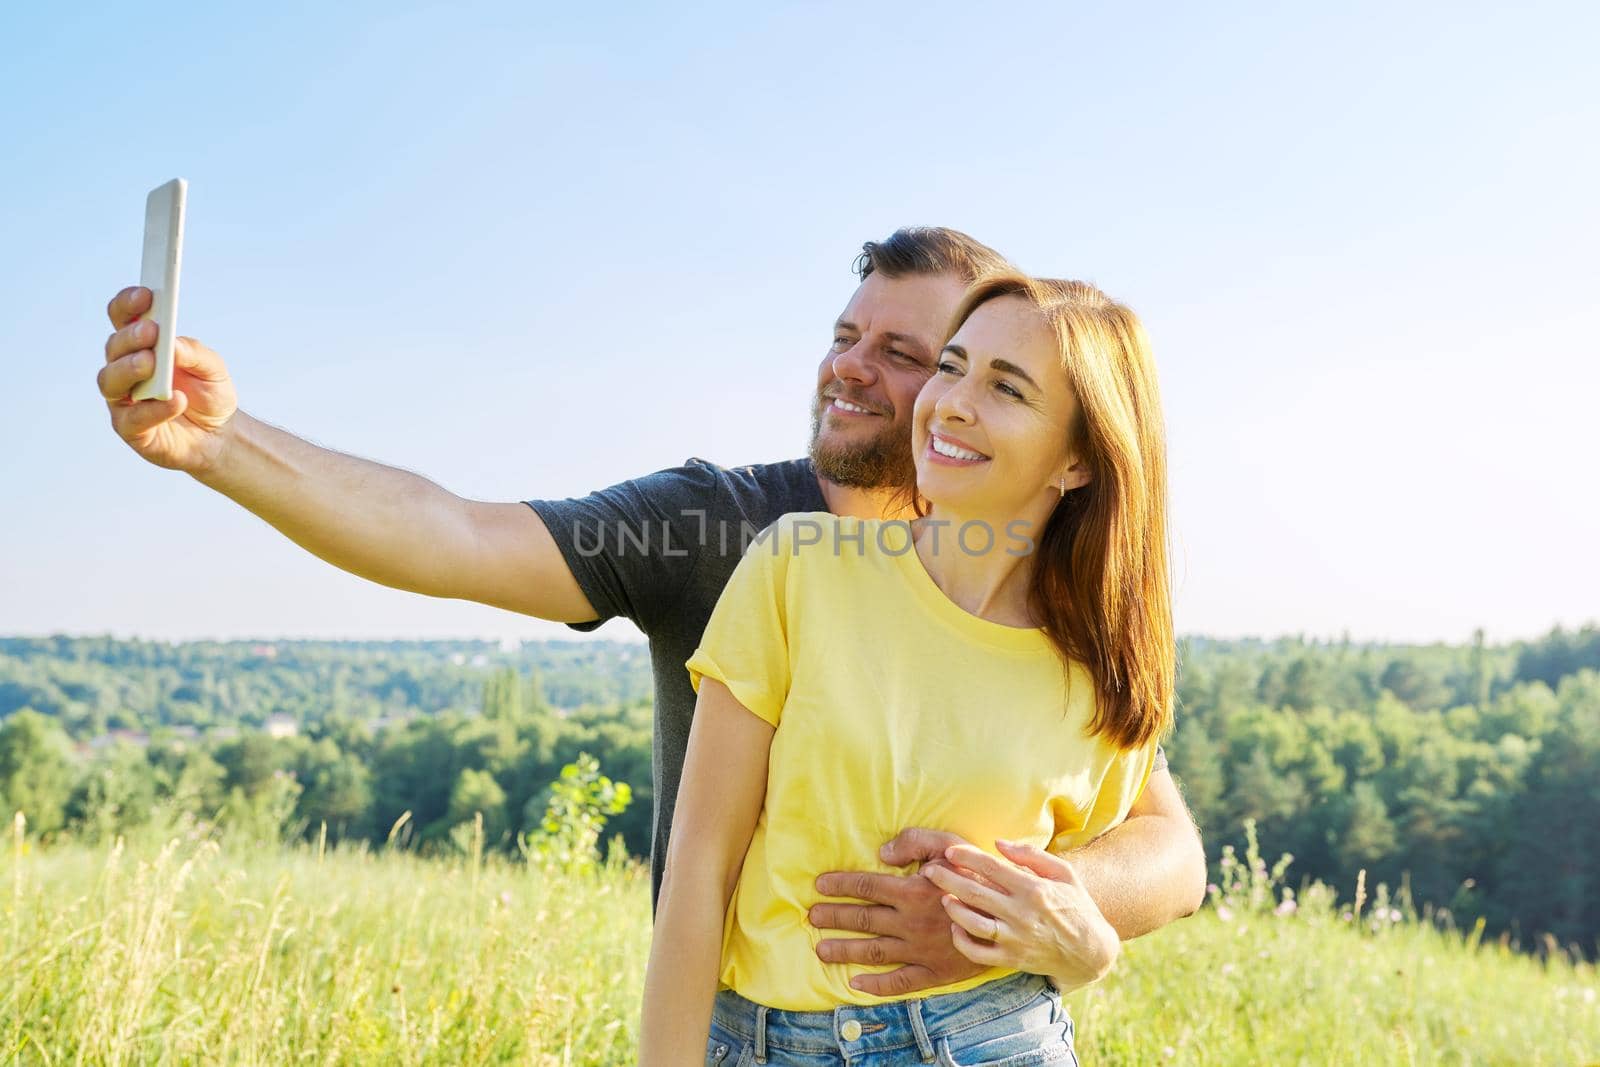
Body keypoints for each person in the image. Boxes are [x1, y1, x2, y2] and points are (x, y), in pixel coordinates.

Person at [96, 228, 1205, 1001]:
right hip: (743, 1020)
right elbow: (454, 534)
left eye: (906, 354)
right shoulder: (720, 526)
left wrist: (1025, 907)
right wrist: (222, 446)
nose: (849, 370)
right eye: (844, 334)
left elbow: (1164, 847)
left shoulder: (1042, 597)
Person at [641, 272, 1174, 1064]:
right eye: (951, 365)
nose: (950, 401)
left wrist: (1086, 944)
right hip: (760, 1042)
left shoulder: (1098, 670)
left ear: (1078, 461)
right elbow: (697, 872)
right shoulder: (797, 567)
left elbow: (1152, 858)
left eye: (1007, 388)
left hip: (990, 1037)